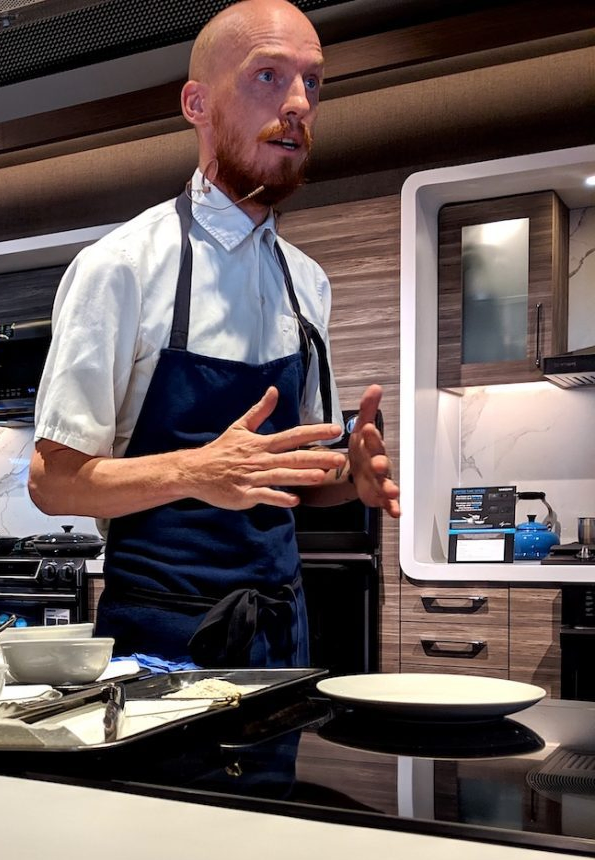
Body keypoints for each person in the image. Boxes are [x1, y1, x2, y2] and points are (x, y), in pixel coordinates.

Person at [28, 0, 400, 667]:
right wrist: (195, 471)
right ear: (196, 103)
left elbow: (295, 475)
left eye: (313, 82)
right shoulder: (121, 267)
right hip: (160, 642)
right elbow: (53, 483)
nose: (299, 103)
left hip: (279, 635)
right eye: (268, 76)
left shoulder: (307, 282)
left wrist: (352, 478)